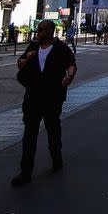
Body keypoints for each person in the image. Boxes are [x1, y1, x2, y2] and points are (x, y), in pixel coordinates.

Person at [12, 19, 77, 186]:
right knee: (29, 134)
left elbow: (71, 64)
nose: (37, 32)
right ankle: (25, 171)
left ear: (50, 31)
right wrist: (27, 59)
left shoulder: (61, 48)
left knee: (53, 129)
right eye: (38, 29)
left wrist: (69, 75)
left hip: (52, 97)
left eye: (41, 30)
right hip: (33, 96)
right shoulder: (33, 46)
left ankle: (56, 158)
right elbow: (20, 63)